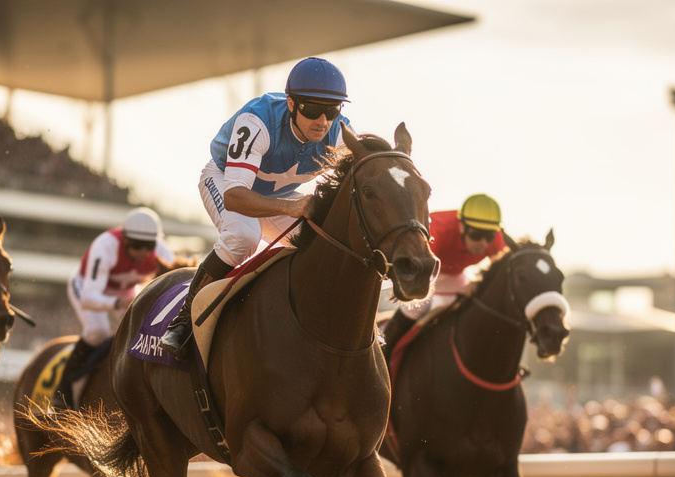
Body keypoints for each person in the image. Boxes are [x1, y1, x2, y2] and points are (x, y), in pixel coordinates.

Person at [159, 56, 354, 359]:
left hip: (277, 196)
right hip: (227, 181)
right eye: (313, 110)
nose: (322, 122)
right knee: (243, 237)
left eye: (331, 111)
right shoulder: (257, 122)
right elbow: (236, 197)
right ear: (291, 104)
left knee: (325, 240)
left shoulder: (340, 134)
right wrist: (291, 208)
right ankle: (184, 319)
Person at [57, 207, 176, 409]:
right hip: (88, 288)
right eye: (138, 245)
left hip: (125, 291)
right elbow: (88, 297)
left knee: (141, 334)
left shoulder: (162, 252)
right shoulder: (106, 246)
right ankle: (62, 393)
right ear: (125, 239)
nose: (144, 252)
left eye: (149, 246)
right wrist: (116, 304)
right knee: (97, 332)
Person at [382, 194, 510, 362]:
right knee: (417, 307)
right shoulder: (440, 228)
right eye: (476, 234)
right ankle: (383, 351)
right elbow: (419, 267)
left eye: (489, 236)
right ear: (462, 227)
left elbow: (502, 273)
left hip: (457, 276)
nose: (483, 243)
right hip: (428, 271)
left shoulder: (495, 239)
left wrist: (477, 282)